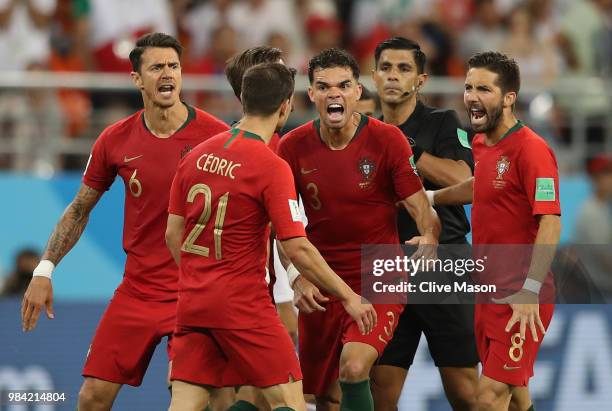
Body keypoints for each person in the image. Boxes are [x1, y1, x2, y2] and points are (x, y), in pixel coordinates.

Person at [20, 32, 230, 411]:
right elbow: (79, 209)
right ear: (137, 79)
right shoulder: (114, 140)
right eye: (156, 67)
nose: (167, 74)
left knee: (189, 397)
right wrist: (44, 269)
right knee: (91, 398)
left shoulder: (217, 136)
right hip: (139, 290)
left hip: (196, 291)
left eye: (174, 66)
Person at [165, 62, 377, 411]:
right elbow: (297, 246)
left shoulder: (197, 156)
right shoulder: (270, 165)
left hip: (193, 301)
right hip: (243, 306)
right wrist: (348, 296)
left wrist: (200, 278)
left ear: (243, 101)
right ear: (285, 106)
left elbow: (173, 233)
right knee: (290, 402)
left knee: (186, 402)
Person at [277, 48, 441, 411]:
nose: (334, 93)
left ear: (357, 92)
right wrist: (296, 277)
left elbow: (421, 209)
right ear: (312, 95)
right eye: (324, 86)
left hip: (378, 273)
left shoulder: (387, 141)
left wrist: (429, 235)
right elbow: (282, 229)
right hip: (320, 280)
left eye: (344, 85)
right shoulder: (291, 148)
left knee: (352, 368)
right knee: (326, 399)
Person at [432, 51, 561, 411]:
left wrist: (530, 290)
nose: (472, 96)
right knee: (517, 398)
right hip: (487, 291)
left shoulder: (532, 150)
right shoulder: (482, 143)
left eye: (484, 89)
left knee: (487, 397)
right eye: (469, 87)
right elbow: (480, 186)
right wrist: (431, 197)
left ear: (508, 98)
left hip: (519, 296)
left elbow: (550, 221)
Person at [370, 37, 478, 411]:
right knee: (380, 393)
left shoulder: (443, 122)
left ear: (421, 80)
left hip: (444, 263)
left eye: (403, 69)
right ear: (373, 76)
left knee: (465, 392)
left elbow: (464, 179)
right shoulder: (364, 133)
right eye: (386, 68)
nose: (393, 76)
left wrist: (406, 148)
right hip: (386, 266)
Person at [223, 45, 300, 411]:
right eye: (278, 76)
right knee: (279, 391)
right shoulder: (259, 152)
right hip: (256, 282)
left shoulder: (283, 144)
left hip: (268, 277)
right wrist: (299, 277)